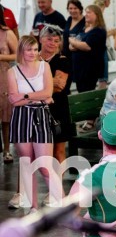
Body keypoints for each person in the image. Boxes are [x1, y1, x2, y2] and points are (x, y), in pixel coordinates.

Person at [7, 35, 63, 211]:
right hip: (21, 117)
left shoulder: (44, 67)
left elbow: (48, 92)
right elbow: (13, 101)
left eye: (35, 49)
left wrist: (25, 96)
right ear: (22, 51)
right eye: (29, 49)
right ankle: (33, 207)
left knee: (45, 165)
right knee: (26, 163)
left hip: (41, 116)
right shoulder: (12, 72)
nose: (33, 53)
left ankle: (63, 202)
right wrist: (40, 97)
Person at [39, 26, 71, 163]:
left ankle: (58, 183)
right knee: (42, 153)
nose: (53, 43)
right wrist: (50, 82)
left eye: (56, 41)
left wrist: (33, 84)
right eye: (49, 39)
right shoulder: (32, 59)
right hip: (36, 110)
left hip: (58, 109)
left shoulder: (63, 60)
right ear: (41, 39)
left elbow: (59, 87)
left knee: (58, 150)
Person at [67, 5, 106, 93]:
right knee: (81, 92)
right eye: (86, 12)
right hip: (79, 69)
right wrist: (74, 44)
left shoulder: (98, 31)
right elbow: (71, 46)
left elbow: (87, 46)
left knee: (86, 93)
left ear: (96, 15)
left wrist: (73, 42)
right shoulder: (84, 29)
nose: (86, 15)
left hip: (89, 71)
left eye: (89, 12)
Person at [0, 12, 17, 163]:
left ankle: (7, 150)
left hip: (3, 76)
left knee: (5, 115)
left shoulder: (7, 33)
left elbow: (17, 54)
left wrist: (1, 57)